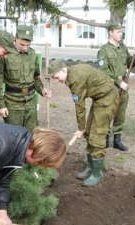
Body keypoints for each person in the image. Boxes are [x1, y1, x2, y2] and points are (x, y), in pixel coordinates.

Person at [49, 59, 119, 187]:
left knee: (97, 135)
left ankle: (97, 174)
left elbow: (79, 106)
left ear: (63, 70)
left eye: (56, 76)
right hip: (99, 98)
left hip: (107, 98)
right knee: (89, 133)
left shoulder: (75, 78)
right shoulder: (71, 74)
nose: (56, 80)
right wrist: (83, 129)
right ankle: (90, 166)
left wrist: (81, 128)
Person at [0, 25, 51, 131]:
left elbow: (36, 77)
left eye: (28, 45)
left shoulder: (32, 54)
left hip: (30, 102)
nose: (25, 48)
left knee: (31, 135)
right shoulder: (6, 54)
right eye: (22, 44)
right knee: (14, 135)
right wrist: (0, 105)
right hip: (12, 103)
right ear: (15, 38)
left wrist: (42, 90)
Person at [97, 22, 135, 151]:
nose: (121, 34)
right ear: (111, 32)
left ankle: (117, 140)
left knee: (120, 113)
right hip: (111, 87)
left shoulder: (123, 48)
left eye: (121, 32)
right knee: (108, 112)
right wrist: (119, 82)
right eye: (118, 32)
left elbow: (131, 64)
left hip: (124, 86)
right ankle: (105, 139)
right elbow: (103, 71)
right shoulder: (104, 50)